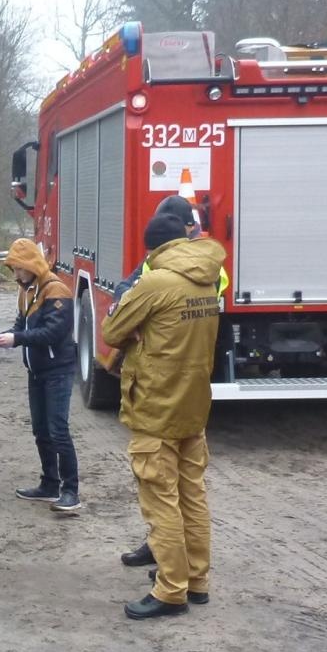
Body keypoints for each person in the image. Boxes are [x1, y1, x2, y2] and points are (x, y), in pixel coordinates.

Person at [101, 212, 225, 620]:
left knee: (160, 501)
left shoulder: (155, 282)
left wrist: (138, 329)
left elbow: (112, 330)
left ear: (151, 249)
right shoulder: (208, 278)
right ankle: (197, 580)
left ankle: (171, 589)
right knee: (193, 495)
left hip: (157, 406)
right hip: (194, 404)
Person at [0, 239, 80, 514]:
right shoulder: (26, 291)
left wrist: (16, 338)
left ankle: (70, 489)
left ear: (31, 265)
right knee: (40, 430)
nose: (15, 274)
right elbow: (23, 323)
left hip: (57, 371)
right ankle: (49, 483)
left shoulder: (57, 291)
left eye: (18, 268)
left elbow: (53, 333)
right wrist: (10, 334)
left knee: (58, 430)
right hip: (37, 372)